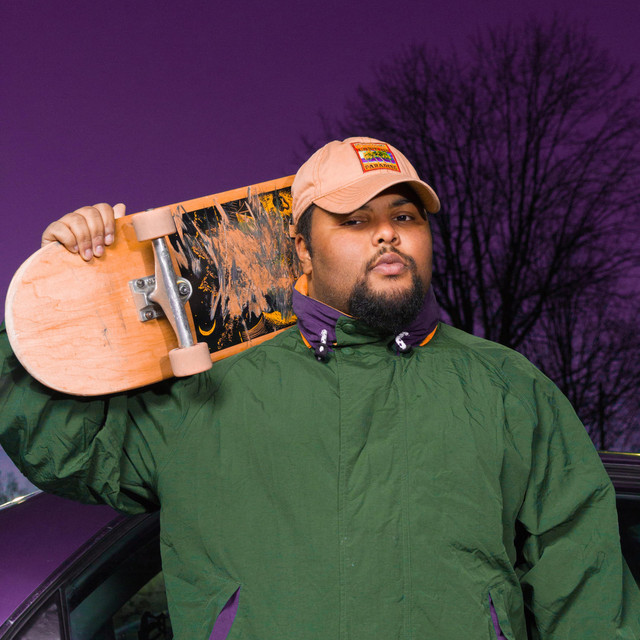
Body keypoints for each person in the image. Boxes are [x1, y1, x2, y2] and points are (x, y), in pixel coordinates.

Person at [1, 137, 638, 639]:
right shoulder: (207, 396)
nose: (387, 233)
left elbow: (585, 588)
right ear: (302, 251)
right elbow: (63, 443)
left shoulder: (508, 389)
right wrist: (55, 294)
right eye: (355, 220)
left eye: (405, 215)